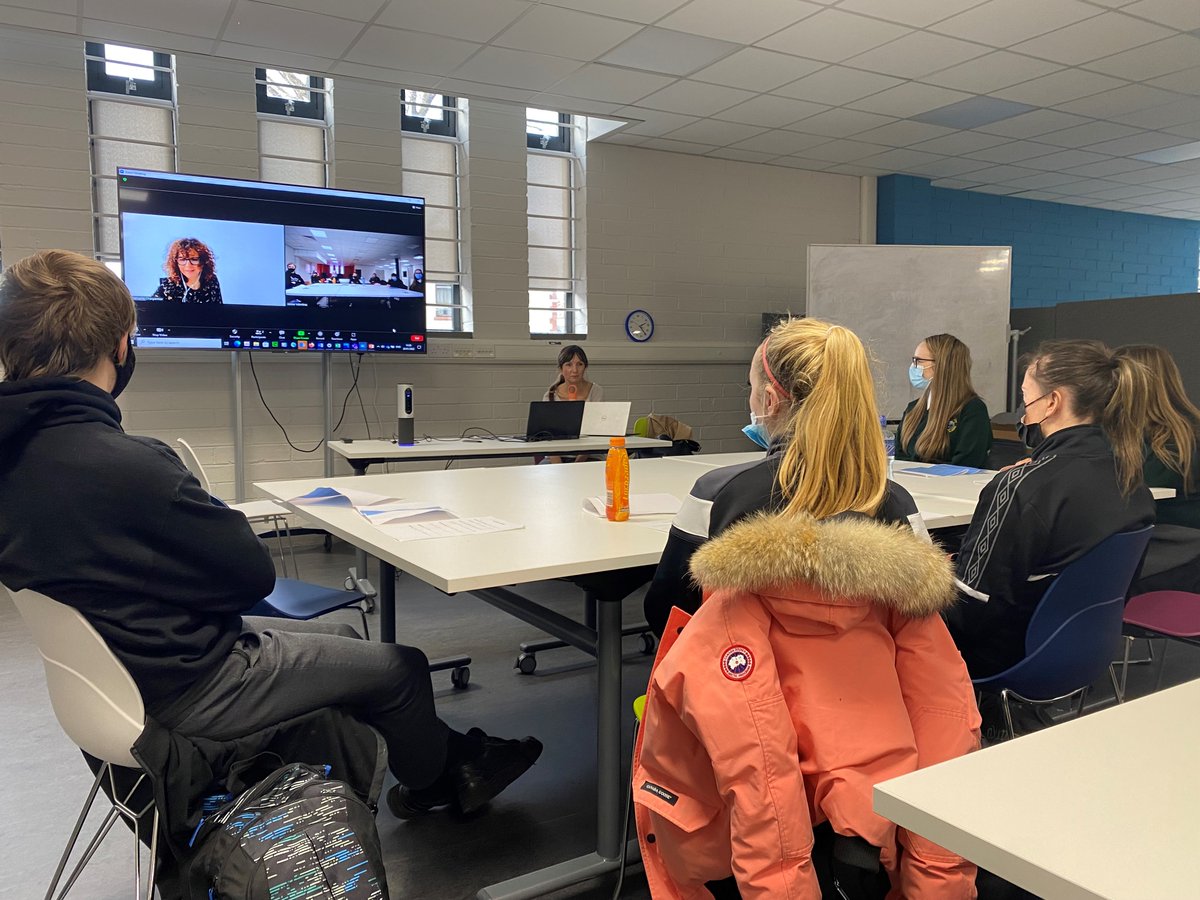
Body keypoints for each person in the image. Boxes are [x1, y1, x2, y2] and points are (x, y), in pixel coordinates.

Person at [0, 250, 542, 821]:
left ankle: (445, 756)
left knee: (341, 635)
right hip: (192, 686)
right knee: (401, 667)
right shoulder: (129, 465)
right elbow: (252, 576)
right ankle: (433, 788)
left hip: (117, 683)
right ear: (119, 345)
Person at [635, 512, 981, 899]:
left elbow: (661, 603)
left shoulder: (729, 585)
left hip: (738, 846)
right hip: (871, 840)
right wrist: (937, 887)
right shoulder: (906, 566)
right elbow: (945, 730)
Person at [643, 318, 926, 637]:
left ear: (769, 400)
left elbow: (666, 611)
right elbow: (921, 617)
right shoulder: (896, 502)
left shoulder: (717, 494)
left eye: (751, 387)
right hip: (869, 668)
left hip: (741, 666)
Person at [948, 340, 1156, 679]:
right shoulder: (1132, 479)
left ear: (1052, 402)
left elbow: (970, 610)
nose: (1023, 412)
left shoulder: (1020, 488)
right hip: (1083, 647)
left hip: (1002, 654)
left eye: (1026, 398)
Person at [1114, 344, 1200, 594]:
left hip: (1170, 555)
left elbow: (1129, 493)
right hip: (1175, 554)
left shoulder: (1171, 444)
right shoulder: (1187, 431)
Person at [896, 333, 992, 468]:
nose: (913, 366)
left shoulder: (972, 410)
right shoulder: (912, 409)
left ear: (942, 365)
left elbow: (967, 465)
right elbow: (900, 459)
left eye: (919, 361)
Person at [152, 237, 223, 304]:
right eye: (182, 259)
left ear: (203, 262)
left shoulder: (211, 281)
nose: (188, 265)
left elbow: (218, 310)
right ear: (176, 263)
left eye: (194, 259)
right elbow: (150, 308)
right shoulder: (167, 285)